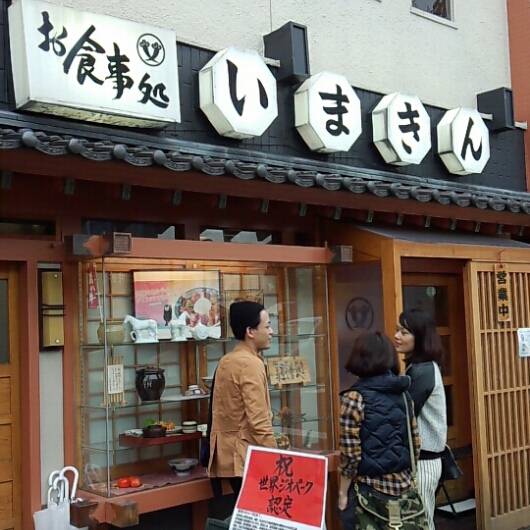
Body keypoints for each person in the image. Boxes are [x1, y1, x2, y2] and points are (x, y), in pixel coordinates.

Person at [338, 331, 428, 529]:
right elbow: (415, 443)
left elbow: (350, 456)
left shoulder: (354, 398)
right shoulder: (404, 395)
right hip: (404, 488)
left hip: (368, 492)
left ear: (359, 357)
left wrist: (343, 492)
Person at [208, 300, 276, 503]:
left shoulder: (226, 360)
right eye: (267, 326)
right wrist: (276, 458)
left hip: (228, 455)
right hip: (246, 456)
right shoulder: (250, 364)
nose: (271, 331)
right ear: (250, 331)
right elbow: (259, 420)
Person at [394, 308, 447, 530]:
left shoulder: (422, 371)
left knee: (420, 522)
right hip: (420, 460)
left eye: (404, 332)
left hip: (423, 462)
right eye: (397, 330)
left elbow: (402, 414)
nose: (397, 336)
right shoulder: (417, 367)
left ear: (421, 337)